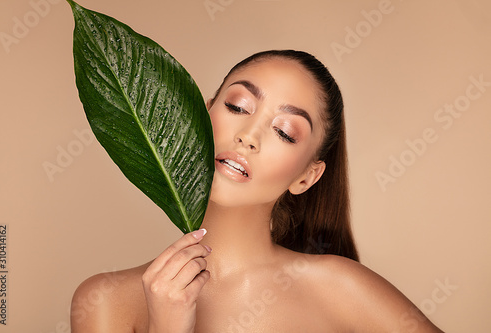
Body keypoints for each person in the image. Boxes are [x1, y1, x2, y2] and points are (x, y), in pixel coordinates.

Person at [70, 50, 444, 332]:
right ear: (203, 113)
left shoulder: (340, 287)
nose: (248, 137)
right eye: (237, 106)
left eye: (285, 131)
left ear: (307, 177)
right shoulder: (106, 301)